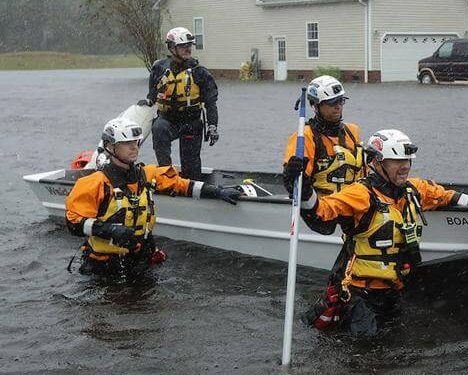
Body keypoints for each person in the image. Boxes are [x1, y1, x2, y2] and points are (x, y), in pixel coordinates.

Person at [285, 129, 468, 336]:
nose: (405, 166)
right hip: (360, 296)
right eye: (397, 161)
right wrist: (303, 190)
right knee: (365, 348)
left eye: (407, 160)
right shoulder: (360, 194)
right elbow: (321, 215)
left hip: (393, 293)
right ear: (378, 162)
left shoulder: (413, 190)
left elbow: (446, 196)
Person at [65, 117, 242, 278]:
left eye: (136, 142)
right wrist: (110, 230)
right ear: (111, 147)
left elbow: (182, 185)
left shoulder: (146, 174)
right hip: (103, 266)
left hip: (140, 259)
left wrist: (217, 191)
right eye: (127, 143)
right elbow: (73, 223)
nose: (134, 147)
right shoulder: (94, 183)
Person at [139, 26, 219, 180]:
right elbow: (153, 95)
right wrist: (147, 102)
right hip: (168, 119)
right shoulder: (159, 68)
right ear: (171, 48)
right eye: (183, 46)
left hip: (191, 121)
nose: (188, 49)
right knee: (159, 128)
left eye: (189, 45)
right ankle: (166, 177)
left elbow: (211, 103)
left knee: (191, 165)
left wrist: (213, 125)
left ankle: (193, 187)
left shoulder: (200, 72)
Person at [283, 75, 365, 201]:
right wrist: (291, 174)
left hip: (354, 204)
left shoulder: (352, 131)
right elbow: (292, 185)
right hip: (323, 208)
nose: (338, 106)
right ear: (316, 106)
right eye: (332, 102)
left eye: (340, 100)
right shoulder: (305, 136)